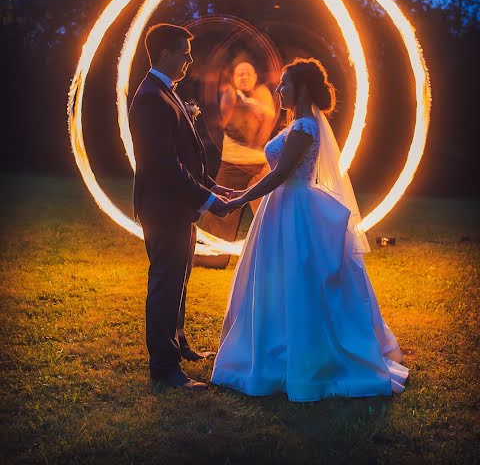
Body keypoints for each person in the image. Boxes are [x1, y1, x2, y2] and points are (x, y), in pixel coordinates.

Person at [211, 58, 409, 401]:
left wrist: (240, 199)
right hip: (283, 208)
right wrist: (237, 193)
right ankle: (281, 348)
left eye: (284, 85)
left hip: (293, 210)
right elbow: (273, 174)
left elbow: (279, 174)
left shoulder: (304, 128)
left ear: (301, 88)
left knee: (296, 282)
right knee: (280, 282)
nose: (278, 90)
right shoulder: (299, 126)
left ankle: (297, 357)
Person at [129, 23, 232, 392]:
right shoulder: (150, 98)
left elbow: (183, 157)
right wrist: (206, 200)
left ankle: (179, 344)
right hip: (164, 209)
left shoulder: (165, 93)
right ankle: (165, 369)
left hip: (177, 208)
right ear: (165, 53)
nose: (190, 60)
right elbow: (164, 164)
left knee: (179, 281)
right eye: (184, 52)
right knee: (165, 283)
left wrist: (210, 186)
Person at [194, 60, 275, 269]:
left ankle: (276, 255)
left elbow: (268, 117)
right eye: (240, 74)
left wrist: (251, 105)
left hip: (260, 164)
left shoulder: (262, 93)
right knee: (220, 210)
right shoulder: (230, 94)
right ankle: (213, 255)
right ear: (234, 78)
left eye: (248, 73)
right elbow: (226, 120)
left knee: (270, 212)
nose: (244, 77)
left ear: (256, 76)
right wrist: (238, 102)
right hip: (233, 162)